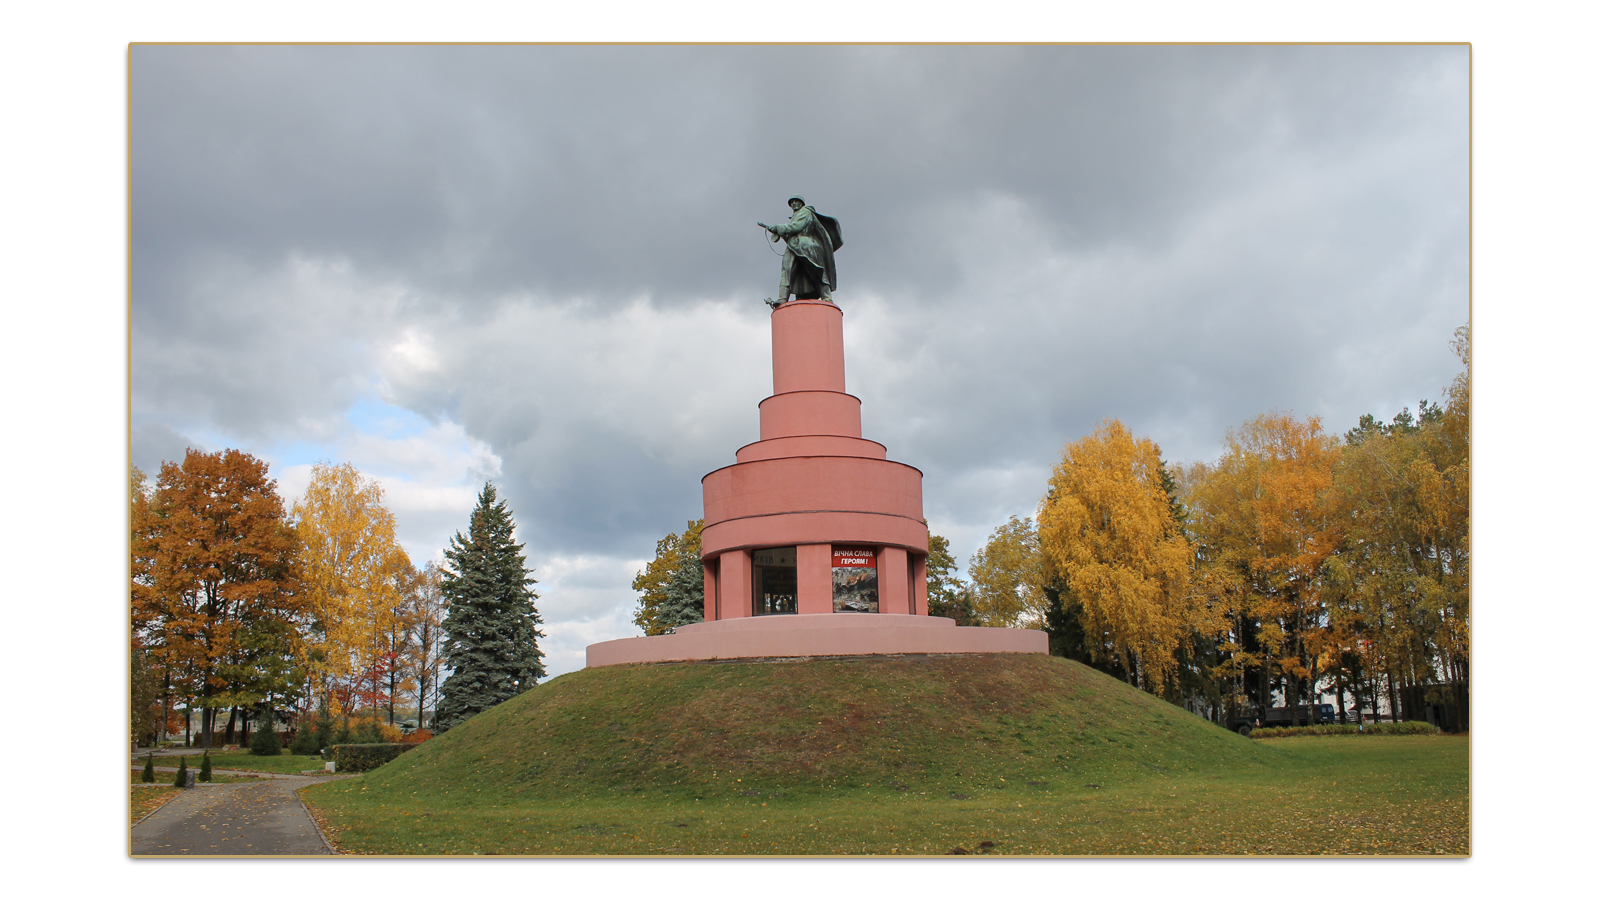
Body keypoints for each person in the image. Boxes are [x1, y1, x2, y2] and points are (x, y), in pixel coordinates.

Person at [758, 195, 841, 307]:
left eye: (796, 202)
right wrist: (780, 233)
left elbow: (797, 226)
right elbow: (790, 235)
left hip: (807, 246)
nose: (794, 204)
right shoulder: (794, 217)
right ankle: (782, 298)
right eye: (792, 202)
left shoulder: (806, 212)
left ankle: (827, 297)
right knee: (786, 271)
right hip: (793, 246)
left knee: (816, 271)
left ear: (802, 203)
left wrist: (778, 228)